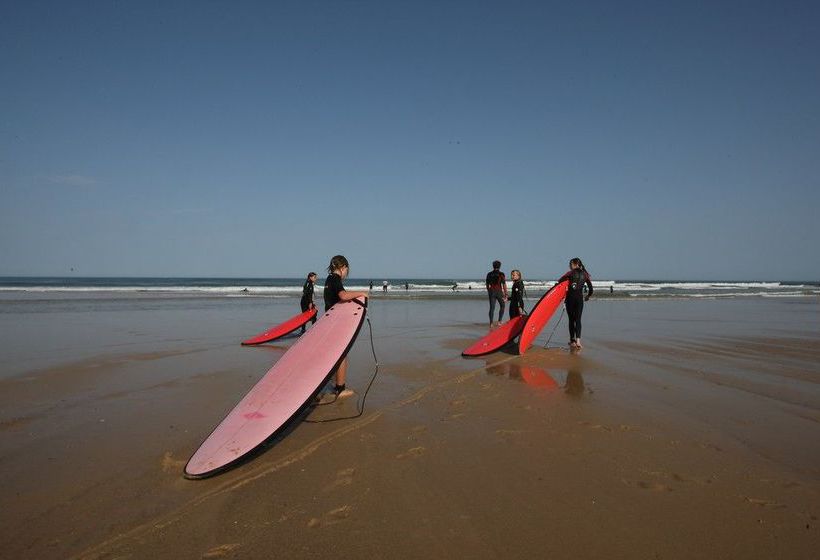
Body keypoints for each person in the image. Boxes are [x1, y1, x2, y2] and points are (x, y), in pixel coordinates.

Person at [324, 255, 368, 397]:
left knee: (334, 354)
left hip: (329, 320)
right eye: (347, 271)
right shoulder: (336, 279)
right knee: (342, 355)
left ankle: (332, 382)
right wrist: (362, 293)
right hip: (335, 323)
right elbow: (343, 296)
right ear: (343, 268)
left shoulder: (329, 279)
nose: (346, 274)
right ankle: (340, 389)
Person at [558, 258, 593, 349]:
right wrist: (587, 296)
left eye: (570, 264)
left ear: (575, 264)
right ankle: (578, 341)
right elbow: (591, 289)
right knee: (578, 320)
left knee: (571, 320)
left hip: (570, 299)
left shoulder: (570, 273)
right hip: (579, 300)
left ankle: (572, 341)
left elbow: (560, 281)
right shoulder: (585, 274)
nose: (570, 266)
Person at [485, 260, 507, 327]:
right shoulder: (501, 274)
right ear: (500, 266)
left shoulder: (489, 274)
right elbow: (504, 284)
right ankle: (499, 321)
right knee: (502, 306)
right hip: (499, 291)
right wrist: (506, 293)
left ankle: (491, 323)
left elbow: (487, 284)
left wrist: (489, 290)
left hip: (492, 291)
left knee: (492, 308)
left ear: (493, 266)